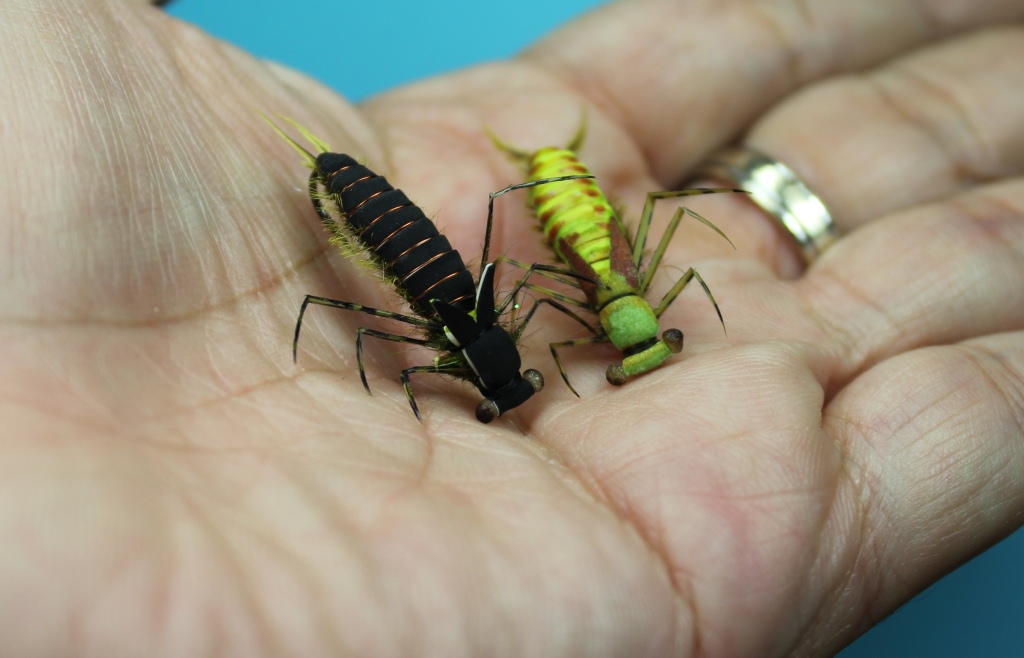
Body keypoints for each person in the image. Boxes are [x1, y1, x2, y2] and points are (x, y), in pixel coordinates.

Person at [2, 0, 1022, 655]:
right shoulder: (490, 330)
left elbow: (443, 335)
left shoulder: (508, 321)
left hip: (436, 269)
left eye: (507, 388)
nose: (513, 386)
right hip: (407, 248)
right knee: (355, 286)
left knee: (369, 290)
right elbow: (389, 331)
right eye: (508, 387)